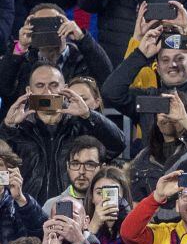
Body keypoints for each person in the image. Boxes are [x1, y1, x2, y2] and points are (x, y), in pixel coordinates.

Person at [1, 64, 125, 203]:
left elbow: (117, 145)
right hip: (27, 210)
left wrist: (88, 115)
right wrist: (7, 127)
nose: (47, 92)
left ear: (65, 89)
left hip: (76, 210)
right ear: (29, 91)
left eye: (54, 85)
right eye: (40, 85)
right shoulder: (18, 130)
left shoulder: (82, 126)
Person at [0, 4, 112, 112]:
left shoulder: (83, 59)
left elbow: (107, 79)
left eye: (52, 23)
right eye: (41, 25)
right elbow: (4, 88)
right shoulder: (22, 60)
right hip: (30, 122)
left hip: (75, 122)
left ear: (65, 25)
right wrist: (20, 47)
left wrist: (82, 38)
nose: (47, 30)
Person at [0, 144, 50, 244]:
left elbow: (43, 235)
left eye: (0, 165)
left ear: (9, 169)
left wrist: (20, 199)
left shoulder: (20, 203)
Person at [42, 136, 106, 214]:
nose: (81, 171)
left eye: (89, 165)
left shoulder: (110, 204)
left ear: (102, 168)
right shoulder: (51, 206)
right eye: (75, 164)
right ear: (67, 166)